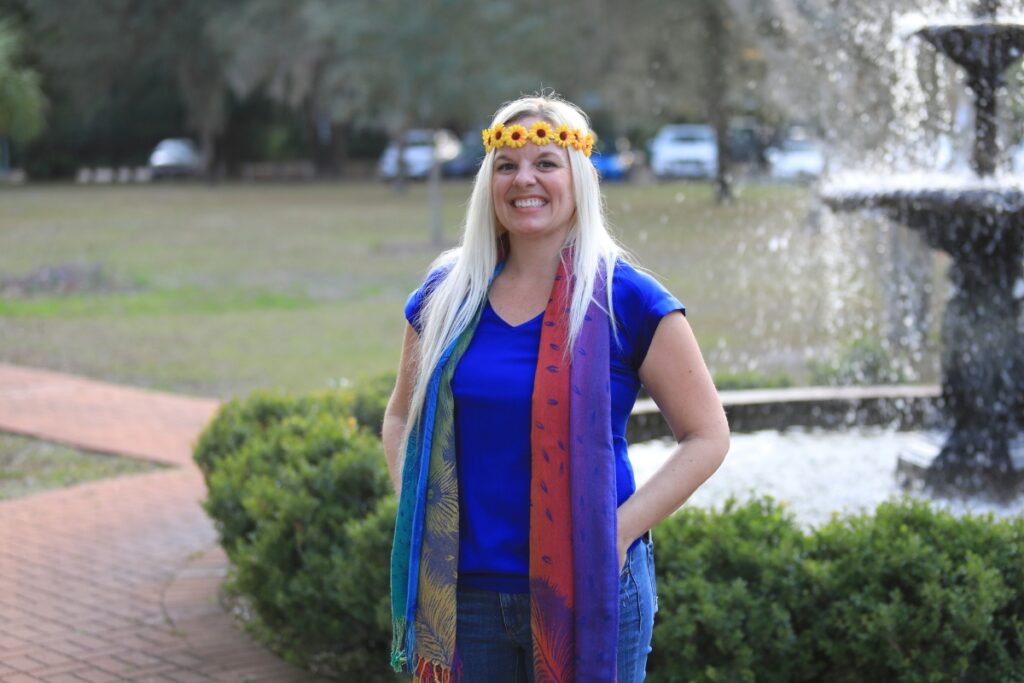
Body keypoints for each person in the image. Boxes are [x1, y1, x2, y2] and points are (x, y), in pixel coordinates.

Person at [383, 94, 729, 683]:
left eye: (547, 162)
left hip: (590, 584)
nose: (526, 180)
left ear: (579, 179)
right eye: (508, 165)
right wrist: (420, 512)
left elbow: (707, 436)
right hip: (464, 595)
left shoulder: (628, 298)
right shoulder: (447, 294)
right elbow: (399, 419)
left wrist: (617, 532)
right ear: (488, 182)